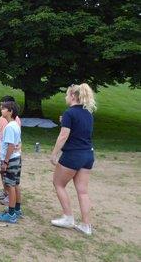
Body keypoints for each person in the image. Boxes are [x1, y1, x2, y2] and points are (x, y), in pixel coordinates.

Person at [50, 83, 97, 236]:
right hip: (88, 155)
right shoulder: (88, 113)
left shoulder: (70, 113)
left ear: (72, 96)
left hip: (73, 155)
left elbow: (64, 135)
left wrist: (54, 154)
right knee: (82, 191)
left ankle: (68, 217)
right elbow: (80, 129)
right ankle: (86, 225)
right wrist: (65, 120)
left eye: (67, 95)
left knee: (58, 183)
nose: (66, 97)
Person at [0, 100, 23, 223]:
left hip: (11, 159)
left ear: (10, 111)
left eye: (3, 109)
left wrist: (5, 162)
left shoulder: (10, 127)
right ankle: (17, 209)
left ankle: (11, 214)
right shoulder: (14, 125)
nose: (1, 110)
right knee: (15, 184)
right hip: (17, 158)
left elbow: (11, 146)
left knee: (10, 186)